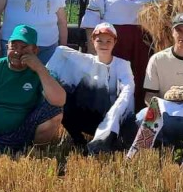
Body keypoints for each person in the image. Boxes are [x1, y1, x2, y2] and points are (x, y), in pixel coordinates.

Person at [0, 24, 66, 155]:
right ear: (7, 46)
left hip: (25, 132)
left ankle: (34, 153)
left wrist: (40, 69)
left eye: (24, 47)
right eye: (13, 47)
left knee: (55, 110)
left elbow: (59, 101)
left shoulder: (41, 71)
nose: (17, 52)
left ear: (35, 50)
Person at [81, 0, 152, 109]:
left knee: (138, 79)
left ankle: (135, 117)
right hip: (112, 42)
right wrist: (93, 51)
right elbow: (91, 20)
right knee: (112, 80)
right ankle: (110, 117)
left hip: (141, 44)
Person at [47, 22, 137, 153]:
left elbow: (127, 93)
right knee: (63, 101)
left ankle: (107, 141)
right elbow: (61, 51)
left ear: (115, 42)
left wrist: (109, 122)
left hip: (116, 120)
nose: (104, 45)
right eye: (99, 41)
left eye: (108, 41)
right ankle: (78, 140)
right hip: (91, 117)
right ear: (93, 41)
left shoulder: (123, 65)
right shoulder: (86, 60)